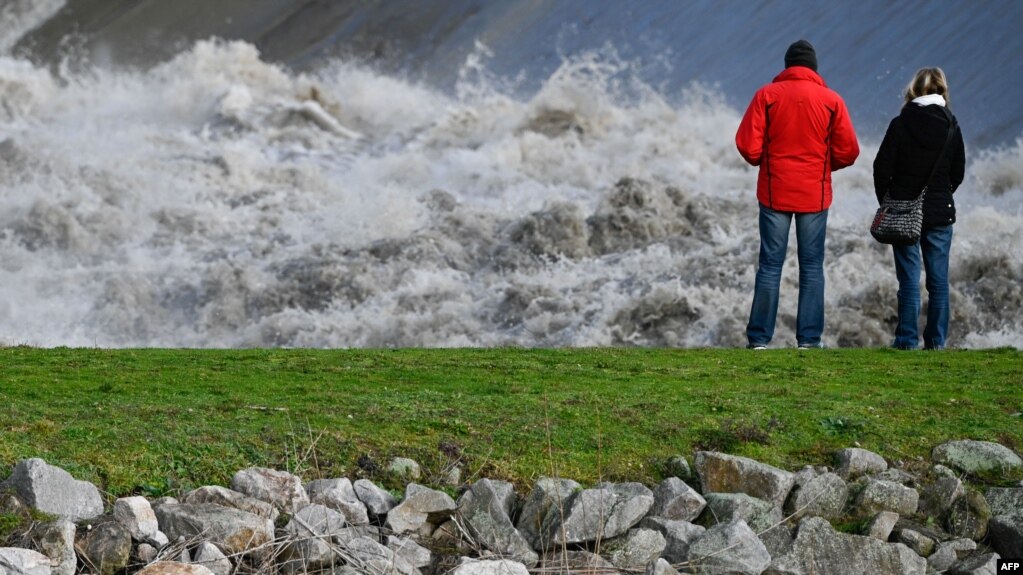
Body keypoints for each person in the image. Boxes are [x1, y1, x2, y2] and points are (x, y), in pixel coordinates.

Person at [735, 40, 860, 349]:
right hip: (813, 195)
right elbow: (849, 152)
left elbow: (748, 147)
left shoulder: (767, 95)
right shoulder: (832, 100)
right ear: (814, 68)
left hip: (775, 191)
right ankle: (809, 340)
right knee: (812, 266)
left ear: (787, 66)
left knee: (770, 266)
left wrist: (767, 160)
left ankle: (759, 340)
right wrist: (821, 166)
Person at [873, 67, 965, 350]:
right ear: (943, 90)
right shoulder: (950, 124)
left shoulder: (900, 123)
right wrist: (940, 194)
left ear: (913, 90)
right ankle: (936, 343)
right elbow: (957, 172)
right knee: (938, 283)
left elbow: (881, 169)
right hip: (939, 212)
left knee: (909, 282)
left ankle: (907, 341)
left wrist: (888, 202)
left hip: (903, 213)